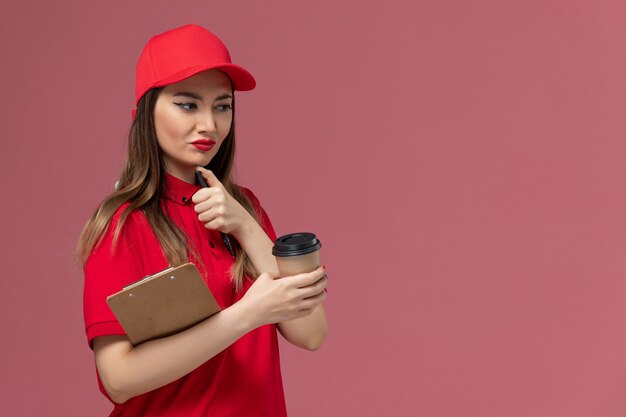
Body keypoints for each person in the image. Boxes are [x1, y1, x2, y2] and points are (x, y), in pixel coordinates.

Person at [77, 24, 328, 416]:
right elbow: (118, 380)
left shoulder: (246, 210)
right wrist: (247, 315)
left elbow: (311, 333)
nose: (209, 125)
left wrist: (245, 225)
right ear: (146, 111)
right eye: (187, 104)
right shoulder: (124, 226)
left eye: (222, 106)